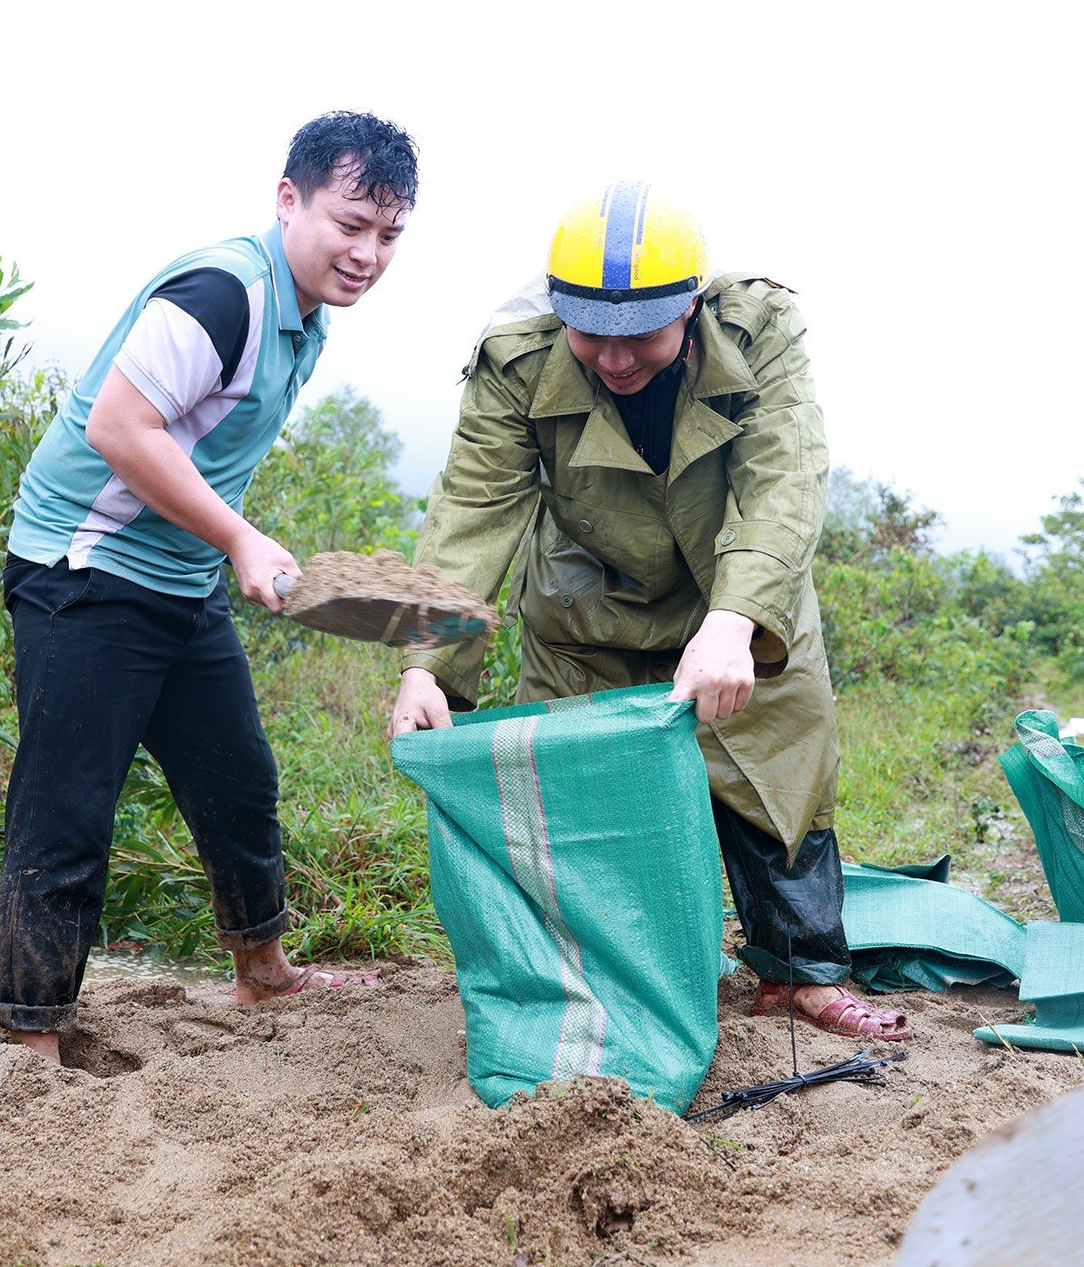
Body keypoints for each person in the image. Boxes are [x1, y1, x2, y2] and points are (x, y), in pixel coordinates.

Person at [389, 182, 908, 1041]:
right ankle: (614, 983)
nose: (616, 358)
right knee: (584, 789)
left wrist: (736, 623)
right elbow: (473, 516)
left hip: (735, 584)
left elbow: (783, 480)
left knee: (777, 762)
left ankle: (800, 976)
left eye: (641, 337)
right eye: (591, 335)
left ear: (692, 309)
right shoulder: (516, 358)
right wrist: (424, 665)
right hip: (586, 601)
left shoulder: (758, 328)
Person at [0, 111, 418, 1064]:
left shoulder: (306, 319)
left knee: (238, 781)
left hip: (177, 580)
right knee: (67, 806)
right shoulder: (224, 294)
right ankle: (26, 1041)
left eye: (388, 235)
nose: (367, 254)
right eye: (349, 225)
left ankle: (263, 973)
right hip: (84, 569)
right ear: (288, 200)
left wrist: (226, 549)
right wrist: (238, 537)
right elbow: (119, 428)